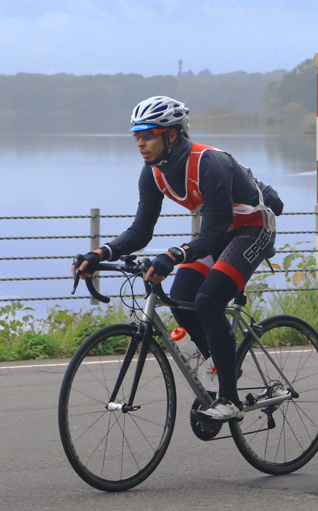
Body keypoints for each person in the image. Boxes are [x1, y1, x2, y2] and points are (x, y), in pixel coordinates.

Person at [73, 95, 280, 421]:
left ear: (171, 134)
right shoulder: (152, 172)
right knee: (181, 297)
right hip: (219, 234)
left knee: (208, 300)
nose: (140, 142)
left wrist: (172, 255)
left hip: (252, 230)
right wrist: (100, 253)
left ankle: (229, 399)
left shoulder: (209, 163)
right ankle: (220, 367)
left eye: (148, 134)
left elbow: (211, 234)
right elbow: (140, 231)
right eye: (136, 135)